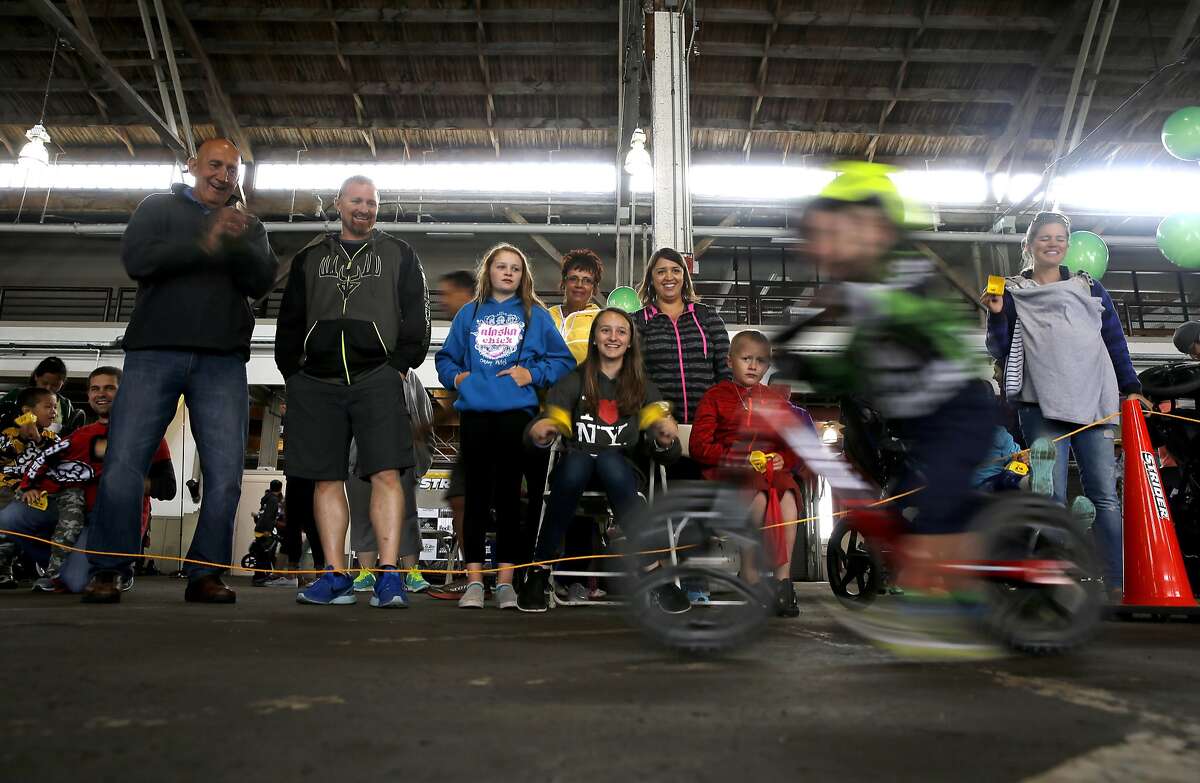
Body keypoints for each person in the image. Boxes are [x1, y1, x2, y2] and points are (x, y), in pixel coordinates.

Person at [81, 138, 276, 604]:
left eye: (233, 169)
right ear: (192, 165)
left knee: (227, 471)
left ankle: (206, 573)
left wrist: (236, 240)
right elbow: (139, 262)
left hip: (222, 359)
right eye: (215, 164)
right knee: (125, 460)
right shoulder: (156, 208)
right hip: (155, 350)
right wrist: (204, 239)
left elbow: (262, 281)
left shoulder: (248, 224)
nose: (224, 175)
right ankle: (109, 568)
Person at [275, 174, 430, 609]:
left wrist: (400, 366)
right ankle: (335, 574)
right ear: (339, 204)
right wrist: (293, 372)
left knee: (386, 474)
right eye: (356, 201)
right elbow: (289, 317)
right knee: (326, 478)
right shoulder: (309, 257)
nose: (364, 209)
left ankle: (388, 575)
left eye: (372, 203)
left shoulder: (399, 253)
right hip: (317, 382)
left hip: (377, 377)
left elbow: (418, 313)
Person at [984, 211, 1144, 598]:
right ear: (1029, 244)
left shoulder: (1089, 286)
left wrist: (1131, 385)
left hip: (1093, 402)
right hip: (1040, 403)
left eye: (1060, 238)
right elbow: (1001, 350)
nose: (1053, 243)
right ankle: (1053, 582)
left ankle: (1116, 582)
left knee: (1104, 494)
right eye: (1044, 238)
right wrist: (996, 316)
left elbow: (1114, 339)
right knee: (1049, 494)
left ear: (1067, 244)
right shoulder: (1011, 290)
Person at [435, 243, 573, 609]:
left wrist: (533, 373)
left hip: (517, 416)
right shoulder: (470, 313)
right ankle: (475, 582)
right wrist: (458, 378)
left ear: (523, 275)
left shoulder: (535, 315)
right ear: (489, 272)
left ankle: (507, 582)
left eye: (515, 268)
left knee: (511, 499)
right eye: (501, 266)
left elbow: (563, 359)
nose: (508, 272)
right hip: (476, 415)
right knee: (477, 497)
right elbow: (445, 358)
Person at [518, 308, 680, 612]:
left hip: (622, 472)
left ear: (631, 341)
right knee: (579, 461)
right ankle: (539, 572)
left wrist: (664, 439)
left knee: (608, 461)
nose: (613, 337)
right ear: (594, 337)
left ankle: (654, 573)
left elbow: (668, 453)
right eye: (606, 330)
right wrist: (539, 433)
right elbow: (541, 431)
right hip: (576, 471)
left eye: (621, 331)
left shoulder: (643, 388)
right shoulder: (573, 382)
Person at [690, 330, 802, 617]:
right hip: (725, 476)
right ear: (730, 361)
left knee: (788, 490)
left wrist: (782, 458)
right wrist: (736, 457)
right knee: (760, 494)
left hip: (765, 474)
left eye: (761, 361)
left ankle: (782, 582)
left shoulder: (774, 400)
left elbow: (791, 446)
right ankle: (750, 574)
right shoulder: (715, 396)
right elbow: (699, 446)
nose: (753, 366)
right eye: (746, 359)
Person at [634, 248, 731, 427]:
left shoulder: (708, 316)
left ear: (684, 277)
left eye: (675, 270)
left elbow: (726, 371)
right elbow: (634, 376)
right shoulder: (637, 322)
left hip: (706, 426)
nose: (669, 277)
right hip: (658, 427)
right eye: (661, 271)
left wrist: (720, 411)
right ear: (651, 279)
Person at [436, 271, 477, 560]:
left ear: (467, 294)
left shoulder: (483, 328)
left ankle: (499, 576)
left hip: (501, 430)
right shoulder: (459, 334)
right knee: (460, 500)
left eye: (447, 294)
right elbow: (457, 386)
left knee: (465, 500)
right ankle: (472, 573)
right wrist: (428, 425)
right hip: (472, 433)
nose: (442, 301)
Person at [0, 357, 79, 434]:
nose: (48, 388)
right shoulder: (17, 395)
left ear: (62, 383)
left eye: (55, 385)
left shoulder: (66, 405)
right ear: (36, 377)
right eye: (44, 383)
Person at [250, 480, 285, 587]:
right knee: (265, 554)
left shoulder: (266, 498)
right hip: (266, 531)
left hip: (259, 529)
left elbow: (263, 514)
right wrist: (268, 530)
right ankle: (260, 577)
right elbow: (269, 516)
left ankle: (260, 576)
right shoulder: (274, 500)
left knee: (263, 554)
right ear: (280, 489)